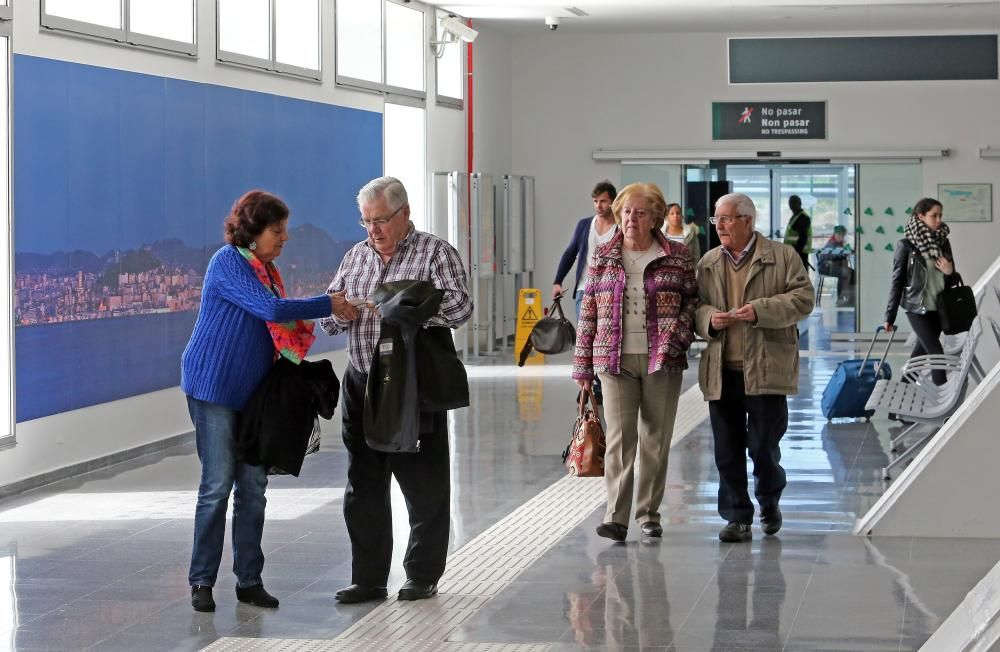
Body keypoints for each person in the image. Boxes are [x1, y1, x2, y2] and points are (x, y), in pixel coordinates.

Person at [181, 190, 340, 613]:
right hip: (213, 390)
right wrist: (330, 302)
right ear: (252, 231)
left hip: (253, 394)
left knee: (253, 487)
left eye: (285, 230)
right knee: (217, 486)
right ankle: (202, 580)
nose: (284, 238)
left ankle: (249, 580)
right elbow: (271, 311)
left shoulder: (266, 269)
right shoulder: (228, 263)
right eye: (277, 230)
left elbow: (275, 315)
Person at [320, 176, 472, 603]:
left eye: (382, 220)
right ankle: (367, 579)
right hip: (362, 381)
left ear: (404, 214)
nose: (374, 230)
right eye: (366, 221)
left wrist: (411, 303)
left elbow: (461, 307)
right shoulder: (355, 258)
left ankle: (421, 574)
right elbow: (329, 320)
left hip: (412, 385)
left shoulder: (435, 252)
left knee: (423, 483)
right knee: (363, 484)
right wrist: (341, 311)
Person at [572, 182, 698, 542]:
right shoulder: (603, 254)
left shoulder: (676, 254)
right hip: (613, 359)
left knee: (655, 440)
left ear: (656, 217)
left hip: (663, 356)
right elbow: (590, 311)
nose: (631, 218)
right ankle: (616, 516)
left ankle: (648, 513)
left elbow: (691, 300)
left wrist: (680, 335)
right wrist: (582, 366)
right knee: (620, 439)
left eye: (640, 213)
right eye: (626, 212)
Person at [694, 192, 814, 543]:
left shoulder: (782, 256)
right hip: (722, 370)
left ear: (749, 220)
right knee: (726, 449)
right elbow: (696, 306)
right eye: (717, 219)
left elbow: (803, 298)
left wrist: (761, 310)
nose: (720, 226)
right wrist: (708, 320)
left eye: (728, 218)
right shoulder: (708, 262)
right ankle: (736, 516)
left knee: (763, 445)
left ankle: (769, 498)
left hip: (766, 368)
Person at [884, 197, 962, 386]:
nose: (939, 220)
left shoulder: (943, 243)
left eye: (940, 216)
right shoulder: (906, 246)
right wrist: (890, 316)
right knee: (936, 354)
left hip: (940, 308)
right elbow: (897, 281)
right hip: (917, 308)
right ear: (920, 216)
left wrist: (950, 272)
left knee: (918, 357)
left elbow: (951, 280)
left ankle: (899, 403)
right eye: (934, 216)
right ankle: (946, 410)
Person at [552, 180, 619, 316]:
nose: (598, 206)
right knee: (584, 336)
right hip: (584, 290)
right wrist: (557, 282)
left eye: (603, 201)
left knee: (607, 335)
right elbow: (570, 254)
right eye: (595, 201)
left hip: (611, 292)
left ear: (613, 202)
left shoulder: (621, 228)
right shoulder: (584, 225)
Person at [817, 225, 855, 306]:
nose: (840, 237)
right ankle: (840, 299)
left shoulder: (841, 243)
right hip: (825, 267)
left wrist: (847, 249)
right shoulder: (831, 243)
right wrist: (845, 252)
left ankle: (851, 298)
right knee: (844, 273)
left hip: (833, 266)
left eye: (842, 235)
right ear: (834, 234)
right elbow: (833, 257)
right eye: (838, 235)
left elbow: (849, 251)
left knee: (853, 273)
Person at [784, 195, 812, 271]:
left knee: (800, 276)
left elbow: (803, 237)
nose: (791, 206)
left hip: (799, 252)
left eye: (793, 203)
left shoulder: (803, 218)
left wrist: (796, 250)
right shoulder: (796, 216)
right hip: (792, 252)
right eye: (790, 204)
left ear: (799, 204)